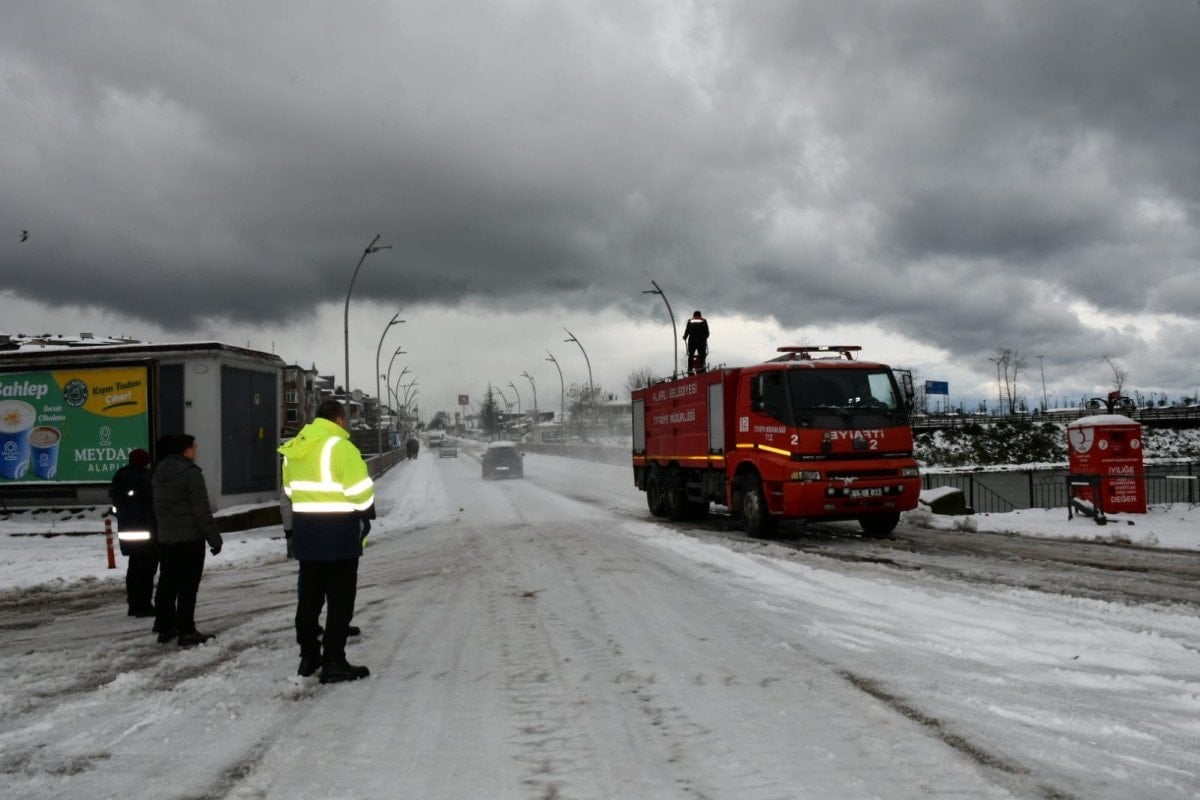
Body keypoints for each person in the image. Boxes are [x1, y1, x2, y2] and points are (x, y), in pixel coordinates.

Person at [280, 399, 375, 684]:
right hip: (338, 533)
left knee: (309, 599)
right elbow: (360, 494)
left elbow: (289, 490)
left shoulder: (296, 447)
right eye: (344, 419)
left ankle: (309, 657)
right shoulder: (340, 447)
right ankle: (334, 661)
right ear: (337, 419)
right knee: (340, 600)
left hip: (307, 531)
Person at [151, 434, 223, 647]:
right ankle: (186, 630)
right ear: (185, 450)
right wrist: (214, 539)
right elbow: (201, 511)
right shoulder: (190, 474)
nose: (196, 450)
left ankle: (165, 627)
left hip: (166, 538)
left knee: (167, 583)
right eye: (194, 447)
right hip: (190, 539)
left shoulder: (158, 472)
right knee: (188, 587)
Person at [110, 448, 158, 617]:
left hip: (126, 531)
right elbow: (151, 505)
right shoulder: (147, 477)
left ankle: (133, 604)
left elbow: (116, 505)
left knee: (134, 569)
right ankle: (144, 605)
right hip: (146, 531)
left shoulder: (120, 476)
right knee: (146, 570)